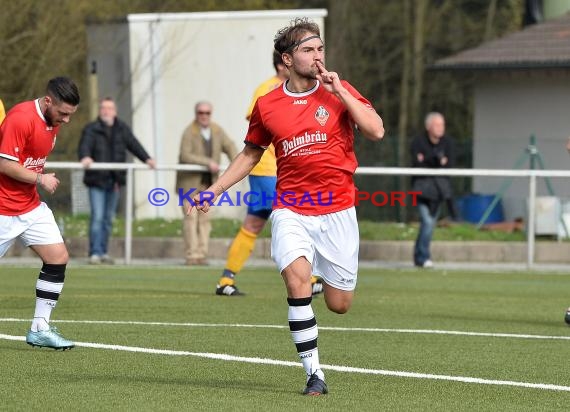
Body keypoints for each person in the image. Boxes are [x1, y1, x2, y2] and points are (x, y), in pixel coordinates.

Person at [188, 18, 384, 395]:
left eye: (320, 49)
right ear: (288, 59)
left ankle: (327, 282)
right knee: (296, 280)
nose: (318, 57)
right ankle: (314, 374)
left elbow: (375, 130)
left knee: (340, 304)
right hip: (291, 209)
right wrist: (215, 189)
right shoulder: (268, 104)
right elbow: (250, 154)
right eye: (309, 50)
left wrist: (341, 92)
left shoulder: (338, 92)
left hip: (338, 210)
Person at [0, 77, 80, 349]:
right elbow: (4, 164)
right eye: (63, 113)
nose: (66, 120)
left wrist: (36, 182)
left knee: (57, 257)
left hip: (30, 207)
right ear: (48, 101)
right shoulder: (20, 118)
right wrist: (40, 179)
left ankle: (39, 327)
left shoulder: (52, 122)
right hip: (3, 209)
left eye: (71, 115)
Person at [78, 97, 156, 265]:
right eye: (103, 108)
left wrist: (147, 159)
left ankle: (103, 251)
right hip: (96, 181)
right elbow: (84, 146)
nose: (106, 111)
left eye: (109, 108)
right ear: (100, 111)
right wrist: (85, 157)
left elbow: (133, 144)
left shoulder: (122, 128)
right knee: (97, 217)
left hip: (114, 181)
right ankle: (95, 252)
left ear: (115, 111)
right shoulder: (91, 129)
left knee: (108, 219)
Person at [177, 101, 238, 266]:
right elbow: (185, 155)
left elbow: (230, 145)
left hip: (208, 184)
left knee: (205, 220)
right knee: (190, 219)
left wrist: (237, 164)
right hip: (189, 184)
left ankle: (202, 254)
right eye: (200, 112)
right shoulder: (189, 132)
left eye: (207, 113)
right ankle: (192, 255)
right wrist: (207, 162)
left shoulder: (216, 130)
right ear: (196, 114)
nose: (204, 116)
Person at [410, 112, 456, 268]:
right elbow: (418, 164)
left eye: (442, 124)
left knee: (428, 225)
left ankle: (418, 257)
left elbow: (449, 164)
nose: (441, 128)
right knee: (427, 222)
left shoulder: (448, 143)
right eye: (437, 125)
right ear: (428, 127)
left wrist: (428, 159)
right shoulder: (418, 142)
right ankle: (424, 257)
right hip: (422, 190)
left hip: (438, 192)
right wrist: (437, 159)